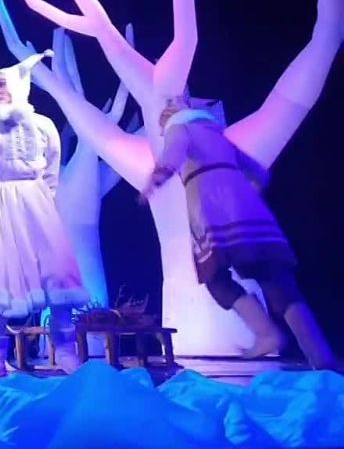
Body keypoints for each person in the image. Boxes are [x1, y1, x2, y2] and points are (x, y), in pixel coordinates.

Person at [141, 97, 337, 370]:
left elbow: (172, 155)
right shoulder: (218, 137)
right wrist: (244, 197)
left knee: (216, 278)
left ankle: (266, 334)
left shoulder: (179, 127)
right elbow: (260, 175)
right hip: (251, 212)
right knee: (276, 279)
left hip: (213, 210)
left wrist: (154, 182)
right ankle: (320, 355)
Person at [0, 51, 89, 376]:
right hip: (0, 202)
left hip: (35, 201)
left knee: (56, 271)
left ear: (18, 86)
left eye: (3, 84)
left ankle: (65, 349)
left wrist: (46, 199)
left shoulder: (43, 126)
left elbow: (52, 165)